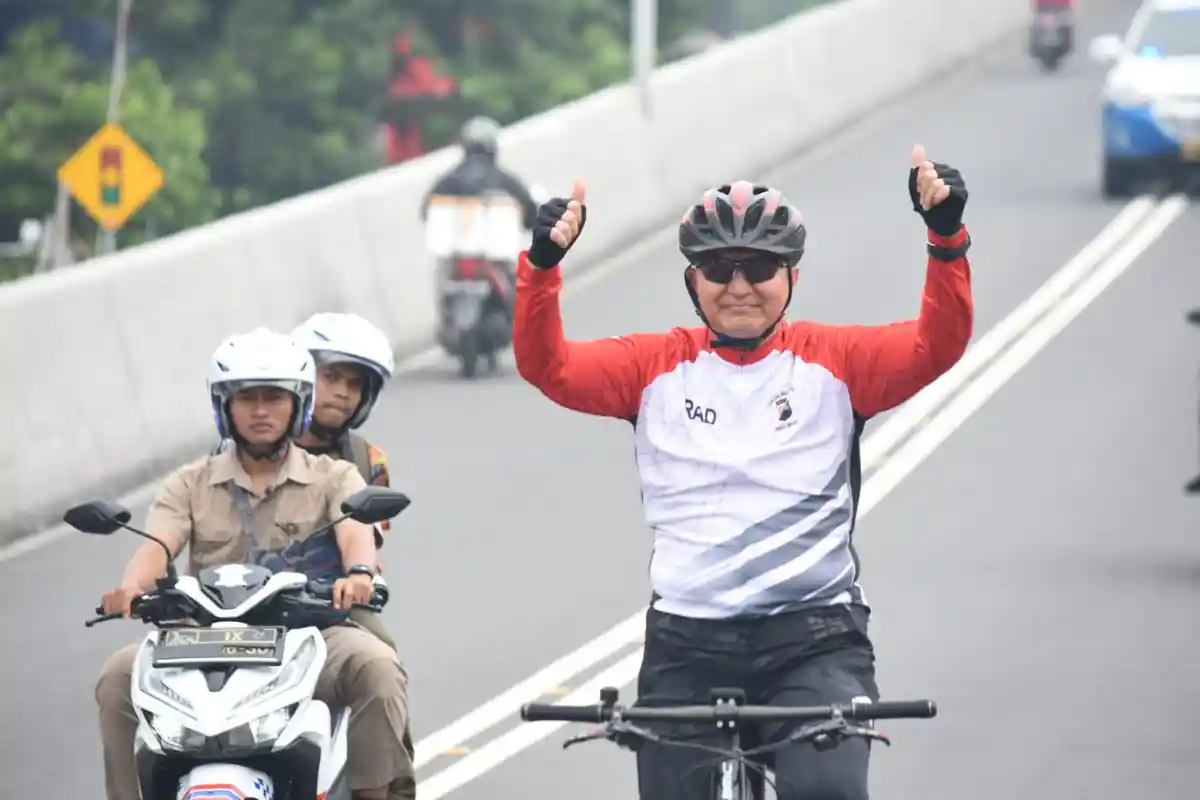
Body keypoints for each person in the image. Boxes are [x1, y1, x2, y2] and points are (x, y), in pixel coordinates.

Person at [511, 146, 974, 800]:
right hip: (686, 646)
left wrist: (946, 238)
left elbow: (937, 344)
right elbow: (548, 366)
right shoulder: (654, 368)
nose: (737, 286)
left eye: (758, 266)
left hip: (814, 642)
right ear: (692, 281)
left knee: (828, 792)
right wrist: (542, 268)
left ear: (791, 277)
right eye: (717, 268)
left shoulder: (837, 361)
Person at [94, 327, 412, 800]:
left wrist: (359, 575)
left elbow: (355, 530)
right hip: (201, 641)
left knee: (378, 667)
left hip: (310, 638)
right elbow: (157, 544)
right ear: (225, 406)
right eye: (247, 398)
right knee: (117, 678)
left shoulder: (333, 475)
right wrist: (129, 589)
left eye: (273, 397)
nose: (261, 411)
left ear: (296, 405)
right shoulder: (189, 482)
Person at [289, 311, 417, 799]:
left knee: (383, 665)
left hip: (334, 604)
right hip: (243, 606)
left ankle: (392, 784)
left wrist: (358, 574)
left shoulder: (368, 461)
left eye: (355, 384)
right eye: (332, 377)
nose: (342, 392)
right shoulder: (248, 444)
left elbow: (367, 538)